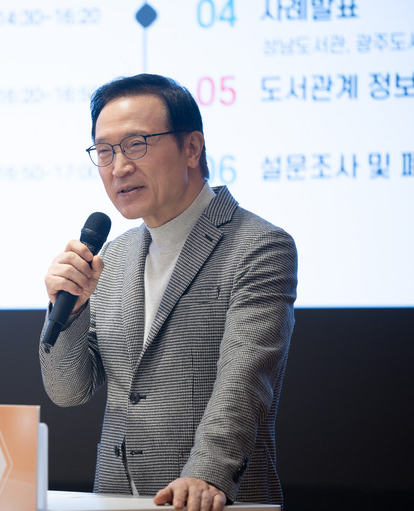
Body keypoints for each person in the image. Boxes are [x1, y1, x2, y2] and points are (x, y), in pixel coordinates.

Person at [40, 74, 297, 511]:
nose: (119, 167)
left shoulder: (259, 245)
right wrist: (69, 311)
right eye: (105, 151)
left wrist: (206, 474)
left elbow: (245, 378)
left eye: (136, 144)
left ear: (192, 148)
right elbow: (69, 391)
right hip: (116, 498)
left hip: (209, 500)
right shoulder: (112, 256)